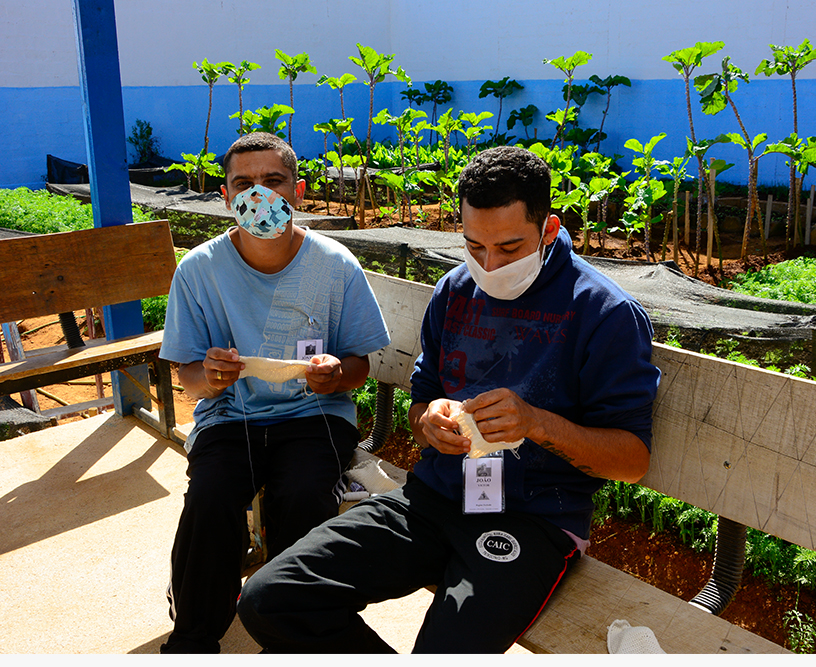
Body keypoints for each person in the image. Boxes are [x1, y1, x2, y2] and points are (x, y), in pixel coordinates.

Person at [236, 145, 660, 653]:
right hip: (433, 499)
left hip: (532, 519)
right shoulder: (455, 291)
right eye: (474, 246)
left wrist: (536, 424)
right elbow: (422, 403)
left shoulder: (604, 313)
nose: (489, 264)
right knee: (269, 598)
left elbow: (632, 462)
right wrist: (427, 422)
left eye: (508, 247)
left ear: (548, 229)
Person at [158, 132, 390, 653]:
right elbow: (187, 376)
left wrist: (335, 374)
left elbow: (360, 367)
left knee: (303, 494)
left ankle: (290, 633)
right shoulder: (199, 270)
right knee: (212, 498)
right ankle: (193, 638)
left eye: (273, 181)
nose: (257, 194)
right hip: (230, 416)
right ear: (225, 196)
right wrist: (210, 376)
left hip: (315, 415)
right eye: (243, 183)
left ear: (298, 192)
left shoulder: (334, 265)